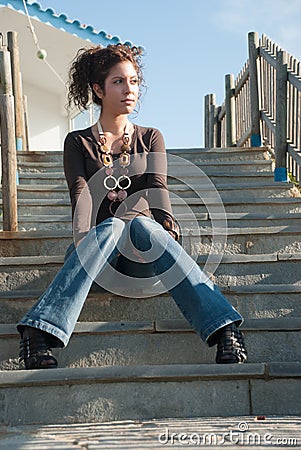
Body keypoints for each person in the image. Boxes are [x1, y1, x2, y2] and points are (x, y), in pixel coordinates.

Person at [17, 44, 247, 370]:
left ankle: (225, 329)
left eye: (134, 81)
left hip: (143, 258)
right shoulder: (78, 142)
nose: (130, 89)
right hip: (93, 257)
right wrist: (84, 236)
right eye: (119, 82)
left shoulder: (151, 137)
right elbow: (80, 191)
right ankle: (38, 331)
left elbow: (157, 187)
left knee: (142, 226)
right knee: (110, 227)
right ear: (98, 89)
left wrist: (166, 231)